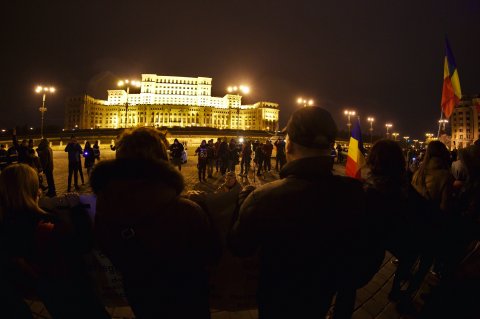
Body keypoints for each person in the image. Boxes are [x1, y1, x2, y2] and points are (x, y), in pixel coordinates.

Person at [228, 107, 383, 319]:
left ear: (289, 144)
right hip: (322, 299)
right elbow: (369, 256)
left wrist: (243, 201)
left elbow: (240, 246)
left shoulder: (264, 198)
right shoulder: (356, 193)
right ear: (331, 145)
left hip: (276, 301)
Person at [91, 127, 217, 319]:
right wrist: (205, 209)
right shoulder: (187, 211)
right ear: (161, 158)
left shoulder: (105, 208)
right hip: (187, 299)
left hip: (139, 293)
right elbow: (211, 254)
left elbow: (109, 249)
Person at [0, 164, 110, 319]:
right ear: (31, 189)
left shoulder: (6, 223)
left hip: (46, 290)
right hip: (72, 288)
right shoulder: (44, 222)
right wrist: (77, 209)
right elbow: (82, 244)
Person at [364, 139, 439, 314]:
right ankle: (400, 290)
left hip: (379, 241)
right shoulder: (403, 182)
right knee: (414, 255)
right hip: (401, 237)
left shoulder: (369, 187)